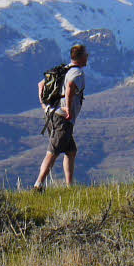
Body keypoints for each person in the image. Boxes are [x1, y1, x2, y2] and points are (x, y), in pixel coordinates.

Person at [33, 44, 89, 191]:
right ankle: (38, 185)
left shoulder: (63, 69)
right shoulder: (77, 73)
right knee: (53, 151)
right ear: (81, 57)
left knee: (71, 151)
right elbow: (70, 86)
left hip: (52, 115)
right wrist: (69, 110)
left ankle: (69, 186)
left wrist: (44, 106)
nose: (87, 57)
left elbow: (41, 84)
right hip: (63, 118)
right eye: (86, 55)